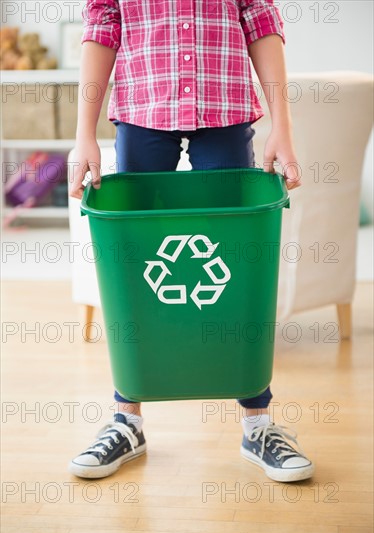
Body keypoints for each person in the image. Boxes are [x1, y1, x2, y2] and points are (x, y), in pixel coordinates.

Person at [69, 0, 314, 483]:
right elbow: (102, 25)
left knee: (237, 259)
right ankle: (127, 418)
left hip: (224, 109)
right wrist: (84, 135)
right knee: (134, 263)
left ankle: (257, 422)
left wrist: (282, 127)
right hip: (142, 109)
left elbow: (260, 20)